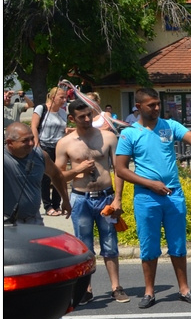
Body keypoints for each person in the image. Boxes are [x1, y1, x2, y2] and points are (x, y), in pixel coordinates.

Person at [114, 87, 191, 309]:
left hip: (174, 195)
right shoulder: (130, 134)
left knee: (178, 244)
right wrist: (150, 184)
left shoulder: (170, 126)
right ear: (138, 107)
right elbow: (120, 169)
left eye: (158, 104)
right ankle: (149, 292)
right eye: (151, 105)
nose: (157, 108)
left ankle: (184, 289)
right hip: (147, 198)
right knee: (149, 247)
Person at [55, 100, 128, 304]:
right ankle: (86, 288)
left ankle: (116, 287)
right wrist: (77, 170)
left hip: (105, 196)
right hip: (81, 198)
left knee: (110, 243)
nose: (87, 119)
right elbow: (58, 175)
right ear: (72, 119)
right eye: (82, 117)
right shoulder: (65, 143)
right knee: (84, 246)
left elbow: (119, 169)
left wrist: (118, 198)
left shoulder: (108, 137)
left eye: (89, 115)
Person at [3, 122, 70, 225]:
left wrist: (65, 199)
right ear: (10, 142)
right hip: (7, 221)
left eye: (32, 138)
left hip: (34, 219)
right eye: (25, 141)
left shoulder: (39, 155)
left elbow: (57, 175)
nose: (31, 143)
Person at [31, 86, 71, 216]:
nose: (64, 100)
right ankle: (48, 206)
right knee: (46, 177)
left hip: (59, 147)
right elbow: (34, 126)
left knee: (59, 175)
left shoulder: (63, 113)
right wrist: (37, 145)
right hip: (44, 146)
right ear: (53, 97)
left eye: (65, 97)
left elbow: (63, 129)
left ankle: (57, 204)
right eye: (61, 97)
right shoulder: (41, 109)